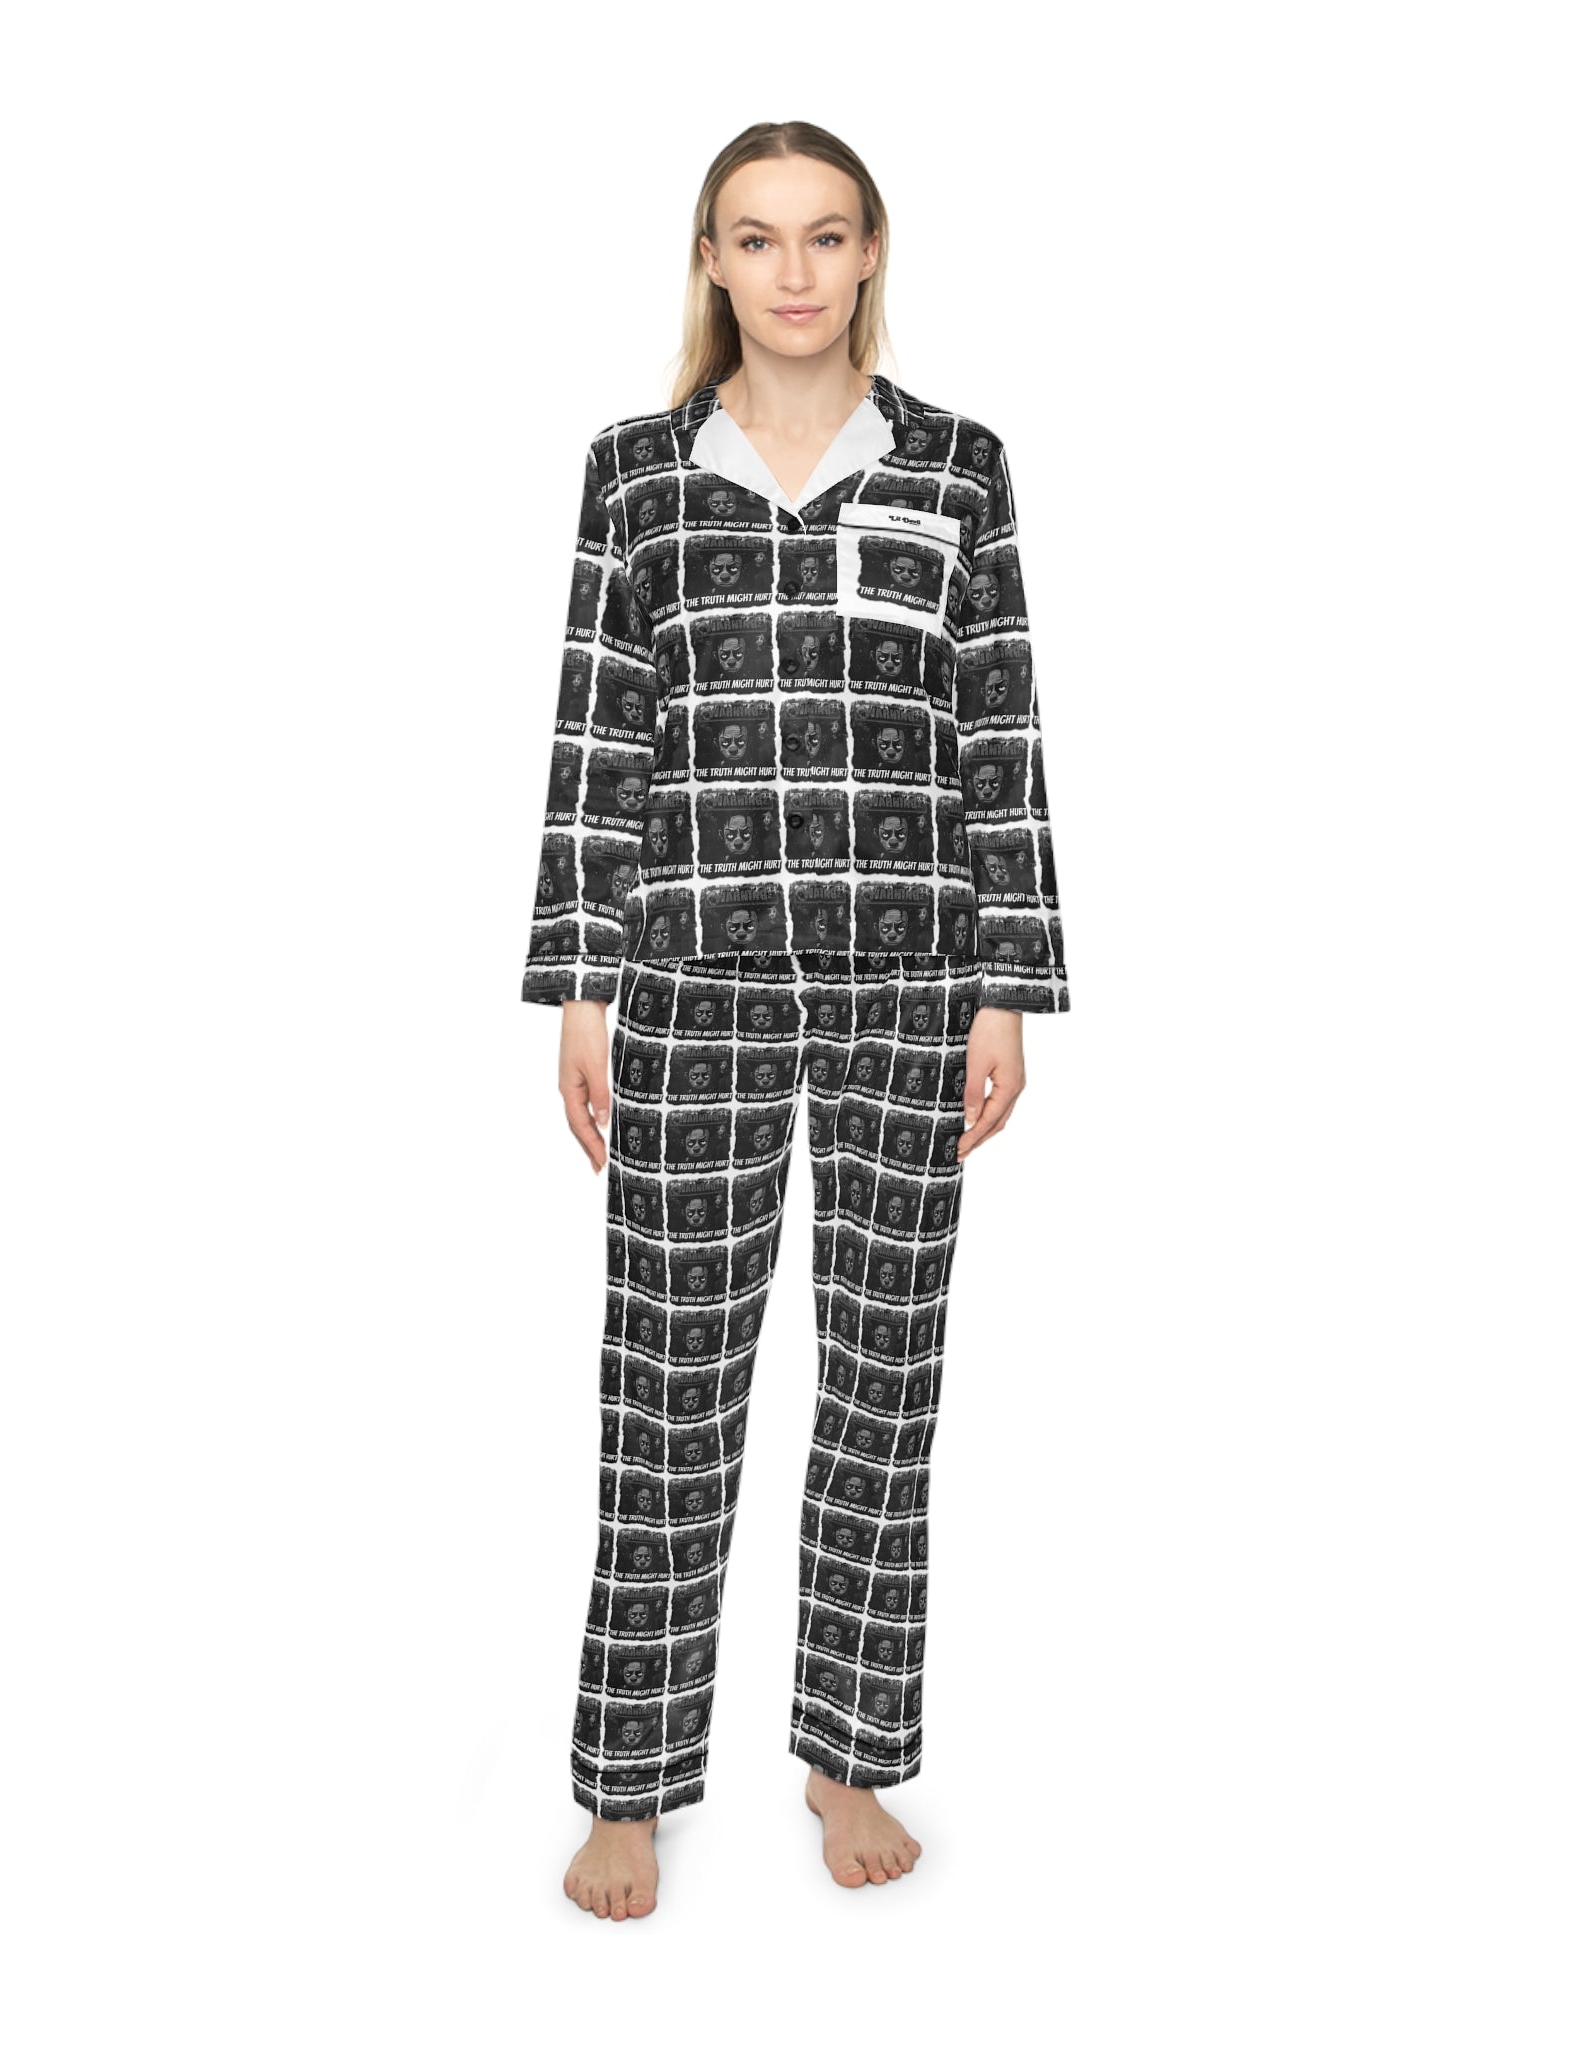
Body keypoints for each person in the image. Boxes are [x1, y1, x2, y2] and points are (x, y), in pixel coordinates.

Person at [520, 120, 1070, 1920]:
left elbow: (1001, 732)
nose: (795, 272)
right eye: (757, 239)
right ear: (712, 261)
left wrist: (1008, 985)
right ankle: (627, 1782)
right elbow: (599, 735)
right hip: (687, 978)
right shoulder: (636, 475)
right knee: (666, 1384)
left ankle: (850, 1751)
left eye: (826, 236)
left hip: (913, 982)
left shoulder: (959, 467)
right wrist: (581, 984)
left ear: (870, 250)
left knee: (883, 1381)